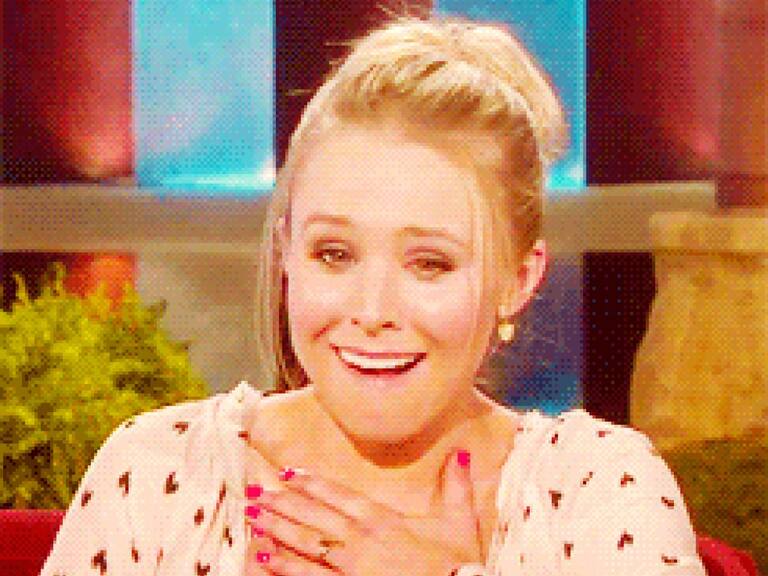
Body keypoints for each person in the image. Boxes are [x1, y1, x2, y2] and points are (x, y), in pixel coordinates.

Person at [40, 14, 707, 576]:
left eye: (429, 263)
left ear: (518, 279)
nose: (371, 311)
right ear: (287, 254)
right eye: (334, 254)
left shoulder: (599, 488)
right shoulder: (157, 471)